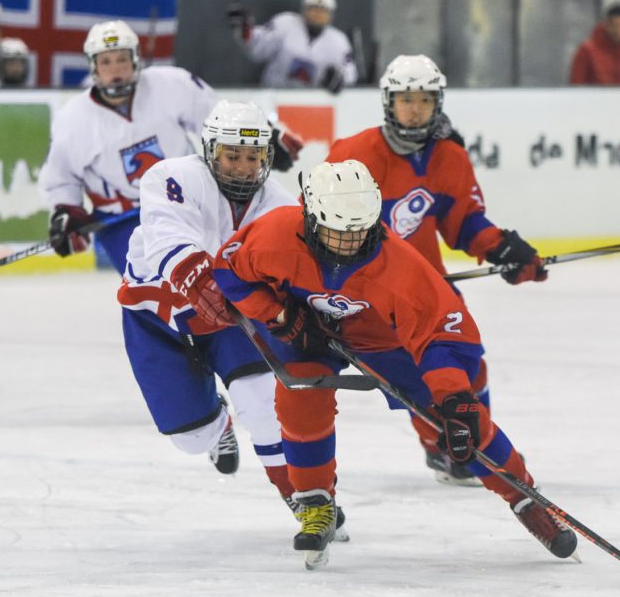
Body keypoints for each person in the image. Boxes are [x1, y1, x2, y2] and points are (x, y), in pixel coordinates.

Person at [213, 160, 577, 568]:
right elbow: (229, 272)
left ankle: (525, 497)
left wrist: (454, 395)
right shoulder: (274, 235)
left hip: (384, 342)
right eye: (337, 231)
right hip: (308, 332)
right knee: (299, 394)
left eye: (359, 231)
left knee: (460, 421)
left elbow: (442, 337)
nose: (350, 243)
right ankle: (315, 501)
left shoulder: (402, 268)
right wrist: (278, 315)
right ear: (311, 219)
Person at [115, 100, 346, 536]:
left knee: (263, 404)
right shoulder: (171, 177)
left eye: (253, 157)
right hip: (156, 320)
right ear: (209, 151)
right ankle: (217, 424)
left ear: (266, 157)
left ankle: (305, 498)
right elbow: (168, 236)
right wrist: (199, 280)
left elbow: (300, 267)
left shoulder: (280, 205)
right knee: (190, 438)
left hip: (230, 320)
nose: (242, 167)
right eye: (232, 156)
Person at [326, 54, 547, 487]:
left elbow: (463, 222)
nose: (414, 108)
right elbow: (319, 223)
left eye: (424, 100)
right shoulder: (351, 154)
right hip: (366, 294)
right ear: (388, 102)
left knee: (470, 365)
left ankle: (472, 443)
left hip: (427, 287)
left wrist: (502, 247)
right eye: (405, 99)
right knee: (418, 378)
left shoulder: (449, 157)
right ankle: (443, 447)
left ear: (438, 104)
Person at [38, 19, 301, 273]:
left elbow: (215, 115)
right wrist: (67, 211)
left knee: (220, 273)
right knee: (158, 287)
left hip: (188, 200)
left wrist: (266, 134)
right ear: (94, 67)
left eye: (122, 59)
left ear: (135, 58)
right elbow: (61, 178)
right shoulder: (72, 119)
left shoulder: (172, 84)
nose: (116, 69)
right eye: (106, 61)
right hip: (122, 220)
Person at [227, 0, 358, 93]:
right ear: (304, 10)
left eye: (323, 10)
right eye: (313, 8)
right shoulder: (285, 23)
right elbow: (258, 48)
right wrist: (245, 30)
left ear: (331, 15)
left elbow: (350, 74)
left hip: (314, 105)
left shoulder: (339, 41)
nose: (318, 14)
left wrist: (339, 80)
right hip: (274, 96)